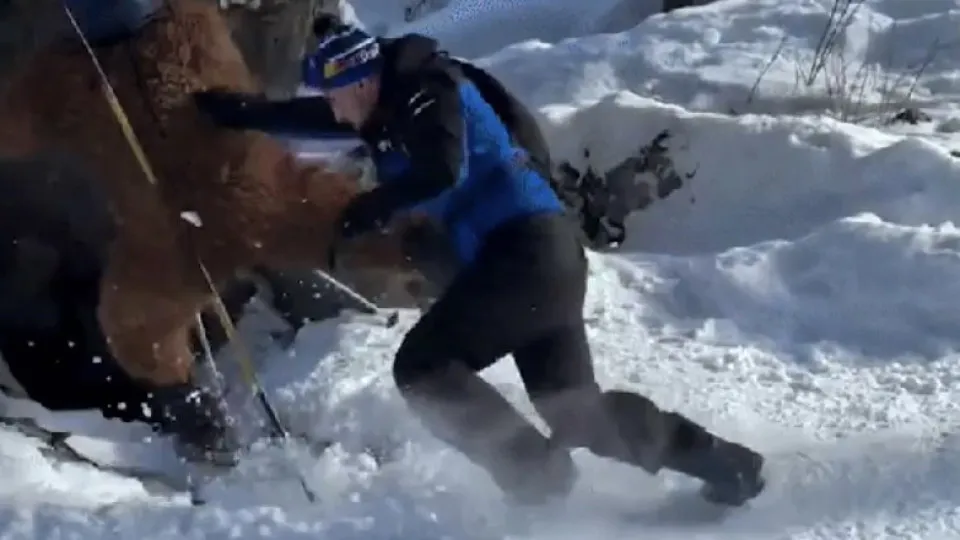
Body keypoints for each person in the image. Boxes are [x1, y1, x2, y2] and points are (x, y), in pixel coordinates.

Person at [196, 15, 767, 507]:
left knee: (423, 367)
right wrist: (234, 112)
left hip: (525, 253)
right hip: (543, 263)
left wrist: (375, 206)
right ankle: (725, 464)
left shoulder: (427, 88)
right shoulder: (380, 109)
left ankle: (538, 477)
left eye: (335, 97)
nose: (335, 113)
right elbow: (311, 119)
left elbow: (445, 168)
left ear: (361, 81)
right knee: (576, 413)